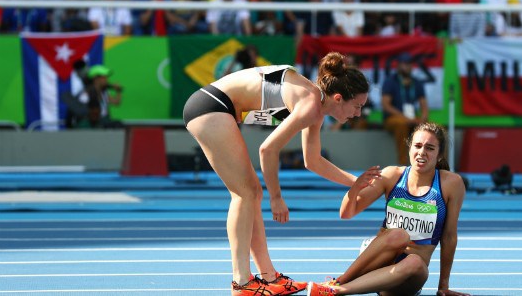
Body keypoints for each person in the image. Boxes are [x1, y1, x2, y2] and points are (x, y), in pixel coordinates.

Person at [183, 52, 370, 296]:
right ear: (338, 98)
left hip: (216, 107)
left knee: (250, 193)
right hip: (211, 106)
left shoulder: (316, 106)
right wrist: (277, 197)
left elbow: (312, 161)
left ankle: (269, 278)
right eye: (357, 106)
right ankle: (241, 282)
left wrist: (357, 183)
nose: (358, 114)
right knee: (246, 194)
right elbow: (267, 149)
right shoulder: (310, 104)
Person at [306, 122, 469, 296]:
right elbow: (346, 213)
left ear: (439, 156)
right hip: (380, 262)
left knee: (414, 261)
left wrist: (443, 286)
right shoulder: (392, 175)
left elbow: (449, 236)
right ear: (409, 148)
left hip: (409, 275)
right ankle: (338, 282)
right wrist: (354, 189)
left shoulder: (451, 184)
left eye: (429, 148)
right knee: (398, 235)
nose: (422, 152)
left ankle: (337, 290)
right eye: (418, 146)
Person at [381, 53, 429, 166]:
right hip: (394, 119)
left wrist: (423, 118)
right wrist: (405, 117)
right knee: (402, 125)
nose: (407, 67)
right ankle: (403, 165)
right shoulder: (390, 81)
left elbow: (424, 105)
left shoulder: (416, 82)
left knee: (434, 129)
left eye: (409, 64)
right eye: (404, 64)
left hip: (412, 119)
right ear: (398, 66)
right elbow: (386, 105)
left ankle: (435, 166)